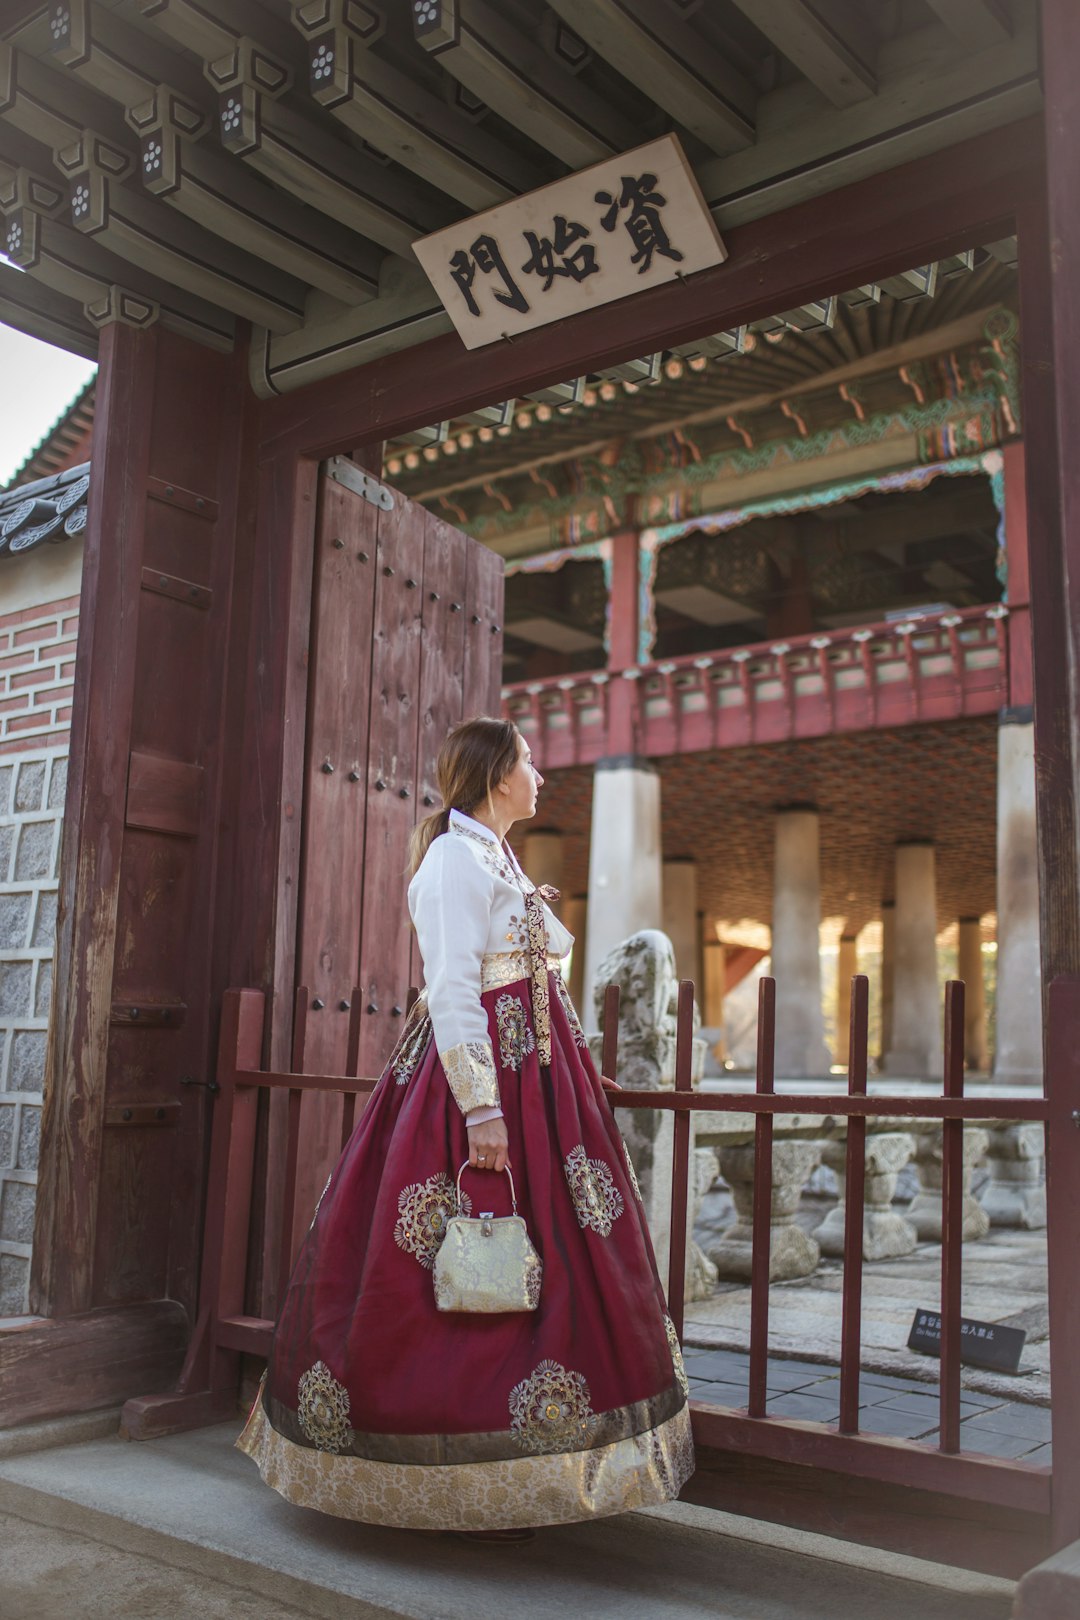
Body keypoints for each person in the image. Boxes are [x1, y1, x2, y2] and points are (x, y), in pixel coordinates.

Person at [237, 715, 693, 1534]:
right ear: (494, 774)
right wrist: (481, 1107)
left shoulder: (495, 852)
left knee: (571, 1252)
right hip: (482, 1088)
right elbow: (452, 989)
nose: (541, 775)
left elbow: (533, 986)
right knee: (446, 1256)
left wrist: (579, 1070)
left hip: (542, 1084)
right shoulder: (452, 859)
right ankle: (428, 1453)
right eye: (529, 762)